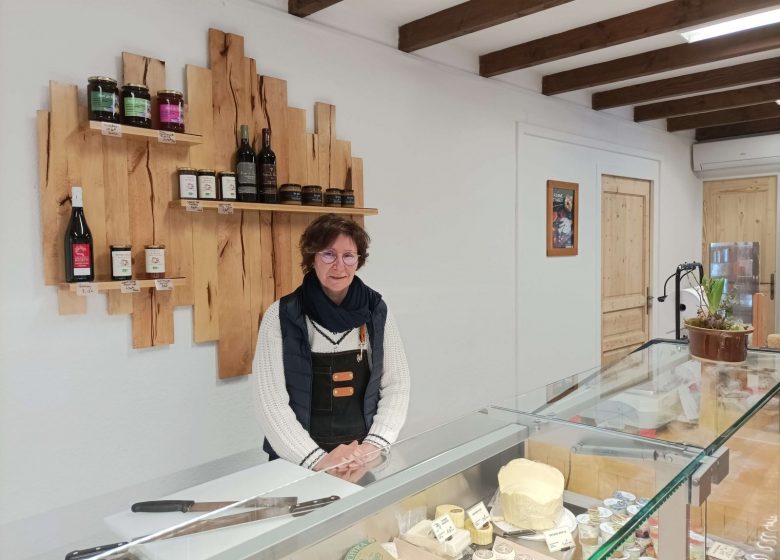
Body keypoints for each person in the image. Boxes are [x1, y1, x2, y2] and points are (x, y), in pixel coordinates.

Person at [251, 214, 410, 477]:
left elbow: (397, 385)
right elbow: (270, 403)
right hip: (296, 462)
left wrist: (373, 446)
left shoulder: (376, 310)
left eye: (348, 255)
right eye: (328, 254)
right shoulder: (280, 315)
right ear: (311, 258)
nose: (339, 265)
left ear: (359, 260)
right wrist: (318, 460)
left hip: (360, 460)